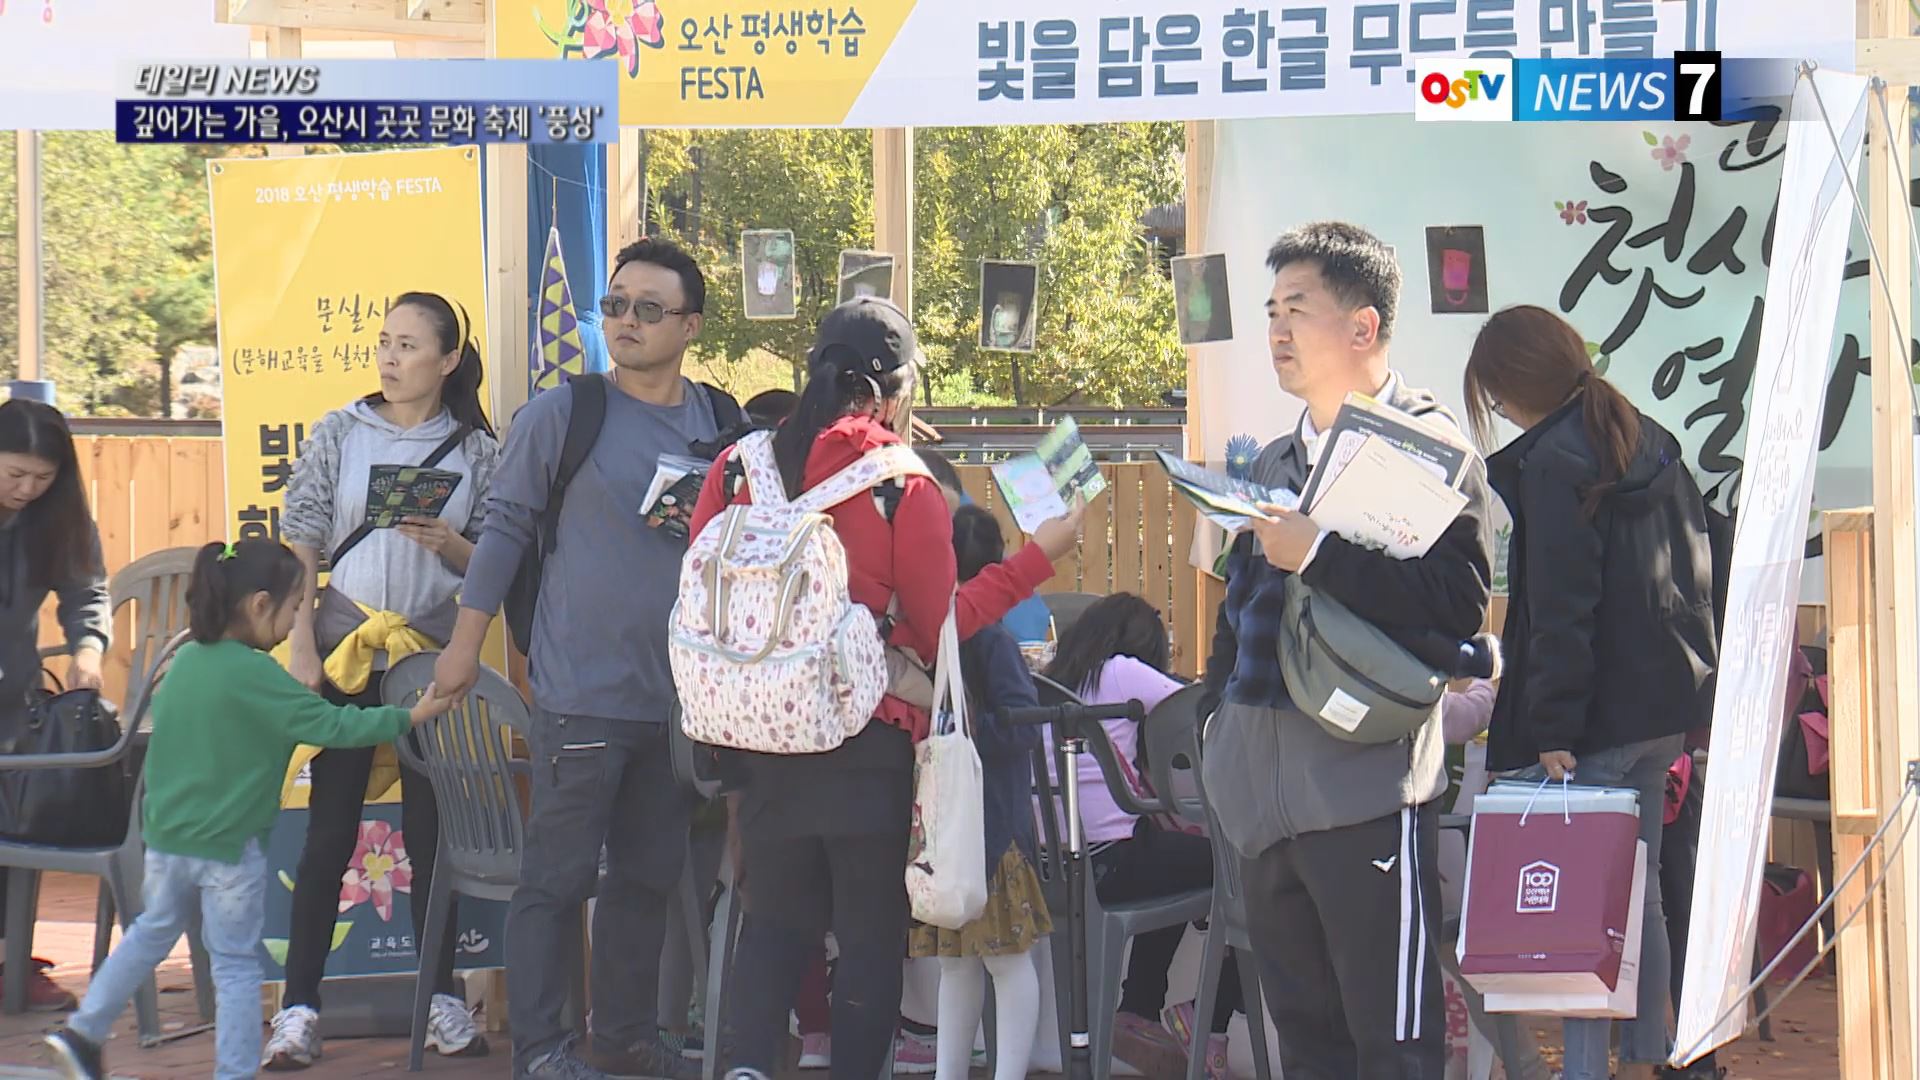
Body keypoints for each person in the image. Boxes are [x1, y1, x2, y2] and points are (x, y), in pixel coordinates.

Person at [435, 237, 738, 1080]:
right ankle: (541, 1048)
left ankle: (627, 1039)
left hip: (680, 701)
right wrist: (463, 649)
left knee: (645, 881)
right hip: (581, 695)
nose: (626, 322)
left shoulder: (722, 421)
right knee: (556, 883)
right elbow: (502, 534)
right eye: (614, 306)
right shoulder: (562, 413)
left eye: (649, 309)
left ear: (691, 325)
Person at [1199, 221, 1495, 1079]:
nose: (1277, 332)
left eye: (1298, 308)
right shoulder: (1277, 455)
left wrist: (1323, 554)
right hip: (1263, 799)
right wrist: (1223, 727)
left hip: (1366, 787)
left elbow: (1459, 602)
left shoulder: (1430, 446)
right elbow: (1239, 609)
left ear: (1362, 327)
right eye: (1270, 311)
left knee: (1392, 1043)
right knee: (1304, 1036)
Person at [41, 539, 458, 1080]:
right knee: (236, 966)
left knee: (149, 933)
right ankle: (234, 1072)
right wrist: (410, 715)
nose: (293, 624)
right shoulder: (260, 677)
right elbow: (336, 725)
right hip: (230, 853)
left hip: (166, 843)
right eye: (293, 608)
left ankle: (82, 1032)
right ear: (260, 605)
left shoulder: (183, 659)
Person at [688, 297, 956, 1080]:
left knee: (773, 919)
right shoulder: (900, 484)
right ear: (896, 392)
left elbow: (698, 589)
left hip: (757, 733)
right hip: (867, 735)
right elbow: (939, 625)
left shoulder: (738, 466)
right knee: (871, 934)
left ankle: (746, 1068)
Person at [1463, 304, 1717, 1080]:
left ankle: (1585, 1069)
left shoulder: (1553, 463)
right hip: (1662, 711)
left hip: (1595, 721)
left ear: (1512, 387)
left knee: (1581, 904)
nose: (1497, 411)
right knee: (1635, 893)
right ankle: (1654, 1054)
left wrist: (1551, 725)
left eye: (1494, 395)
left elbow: (1562, 612)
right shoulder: (1642, 436)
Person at [264, 291, 501, 1069]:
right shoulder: (341, 430)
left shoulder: (476, 449)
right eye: (383, 342)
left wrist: (452, 545)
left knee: (435, 833)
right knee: (329, 829)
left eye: (408, 345)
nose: (391, 358)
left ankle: (441, 998)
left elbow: (498, 557)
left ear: (449, 359)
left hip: (431, 658)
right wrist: (301, 641)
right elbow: (300, 538)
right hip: (346, 647)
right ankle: (298, 1007)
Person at [1039, 593, 1244, 1080]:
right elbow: (1200, 705)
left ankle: (1141, 1008)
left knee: (1169, 853)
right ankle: (1206, 1016)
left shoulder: (1047, 680)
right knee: (1252, 872)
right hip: (1112, 863)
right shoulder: (1121, 672)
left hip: (1053, 867)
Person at [907, 507, 1051, 1080]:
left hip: (953, 832)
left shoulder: (937, 635)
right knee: (1003, 964)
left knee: (960, 964)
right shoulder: (990, 638)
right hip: (993, 833)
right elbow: (1022, 723)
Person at [0, 400, 108, 1012]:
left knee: (24, 812)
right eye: (14, 474)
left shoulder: (57, 515)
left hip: (14, 701)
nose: (26, 489)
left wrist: (88, 650)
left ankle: (11, 957)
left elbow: (85, 587)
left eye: (42, 479)